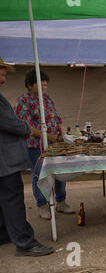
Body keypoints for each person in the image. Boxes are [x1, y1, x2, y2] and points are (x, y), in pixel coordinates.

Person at [0, 59, 54, 257]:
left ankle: (5, 233)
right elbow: (12, 123)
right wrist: (30, 130)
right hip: (5, 159)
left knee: (4, 199)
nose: (5, 79)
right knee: (13, 198)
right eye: (3, 74)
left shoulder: (46, 99)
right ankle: (24, 242)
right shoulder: (21, 101)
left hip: (6, 157)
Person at [15, 69, 74, 219]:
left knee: (60, 170)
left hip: (53, 142)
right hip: (35, 145)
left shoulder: (47, 98)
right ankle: (42, 205)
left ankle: (61, 201)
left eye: (46, 85)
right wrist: (48, 136)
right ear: (29, 85)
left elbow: (55, 116)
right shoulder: (23, 101)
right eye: (40, 85)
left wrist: (59, 130)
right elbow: (27, 126)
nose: (44, 88)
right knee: (40, 174)